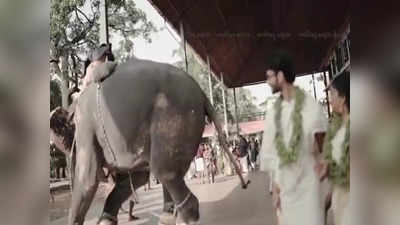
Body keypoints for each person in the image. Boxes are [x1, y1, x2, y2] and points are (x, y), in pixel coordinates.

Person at [259, 50, 328, 225]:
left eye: (270, 77)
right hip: (286, 189)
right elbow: (273, 156)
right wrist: (274, 189)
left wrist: (325, 164)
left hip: (308, 186)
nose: (268, 82)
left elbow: (324, 142)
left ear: (280, 76)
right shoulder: (273, 112)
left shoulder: (309, 105)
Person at [316, 71, 350, 225]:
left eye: (333, 94)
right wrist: (327, 166)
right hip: (340, 198)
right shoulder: (336, 126)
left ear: (343, 98)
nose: (330, 100)